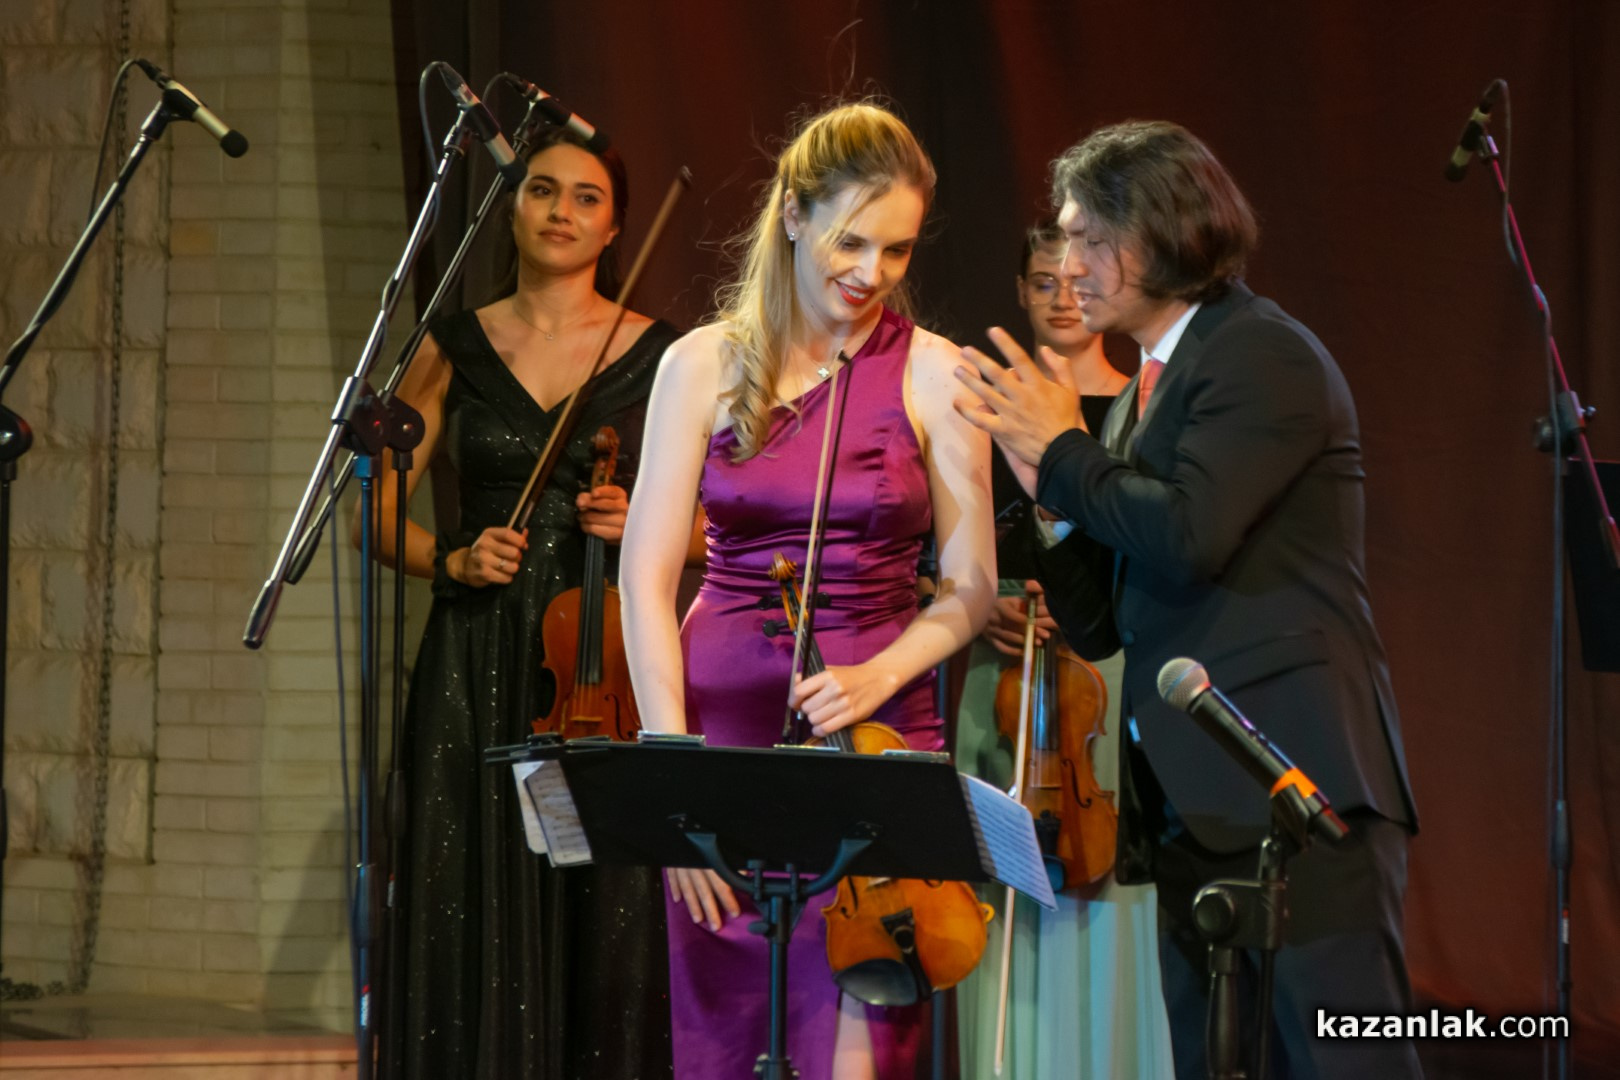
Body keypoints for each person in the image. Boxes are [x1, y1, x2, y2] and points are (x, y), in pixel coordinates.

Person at [955, 121, 1421, 1079]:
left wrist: (1063, 450)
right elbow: (1100, 622)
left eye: (1090, 239)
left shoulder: (1261, 354)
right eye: (1063, 241)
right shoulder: (1142, 394)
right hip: (1189, 810)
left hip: (1296, 792)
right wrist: (1044, 493)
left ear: (1163, 229)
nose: (1068, 267)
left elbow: (1188, 531)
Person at [620, 102, 996, 1080]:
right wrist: (672, 780)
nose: (873, 273)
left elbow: (971, 588)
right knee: (727, 1042)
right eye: (851, 242)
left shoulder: (937, 374)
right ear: (793, 213)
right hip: (721, 752)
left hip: (876, 747)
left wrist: (879, 676)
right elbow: (644, 579)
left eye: (897, 249)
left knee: (857, 1043)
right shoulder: (698, 364)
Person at [355, 126, 682, 1079]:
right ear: (512, 209)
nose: (561, 211)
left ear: (615, 226)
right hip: (473, 648)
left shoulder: (665, 355)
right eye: (542, 190)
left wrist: (650, 523)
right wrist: (451, 560)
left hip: (601, 659)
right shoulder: (452, 344)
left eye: (586, 197)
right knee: (463, 872)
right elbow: (377, 516)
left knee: (602, 898)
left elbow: (725, 527)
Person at [953, 221, 1174, 1079]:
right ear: (1020, 290)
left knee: (1105, 864)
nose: (1062, 297)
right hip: (999, 666)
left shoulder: (1141, 404)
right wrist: (970, 605)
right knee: (1002, 876)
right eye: (1043, 281)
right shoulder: (976, 402)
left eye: (1078, 280)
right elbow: (934, 543)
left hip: (1101, 669)